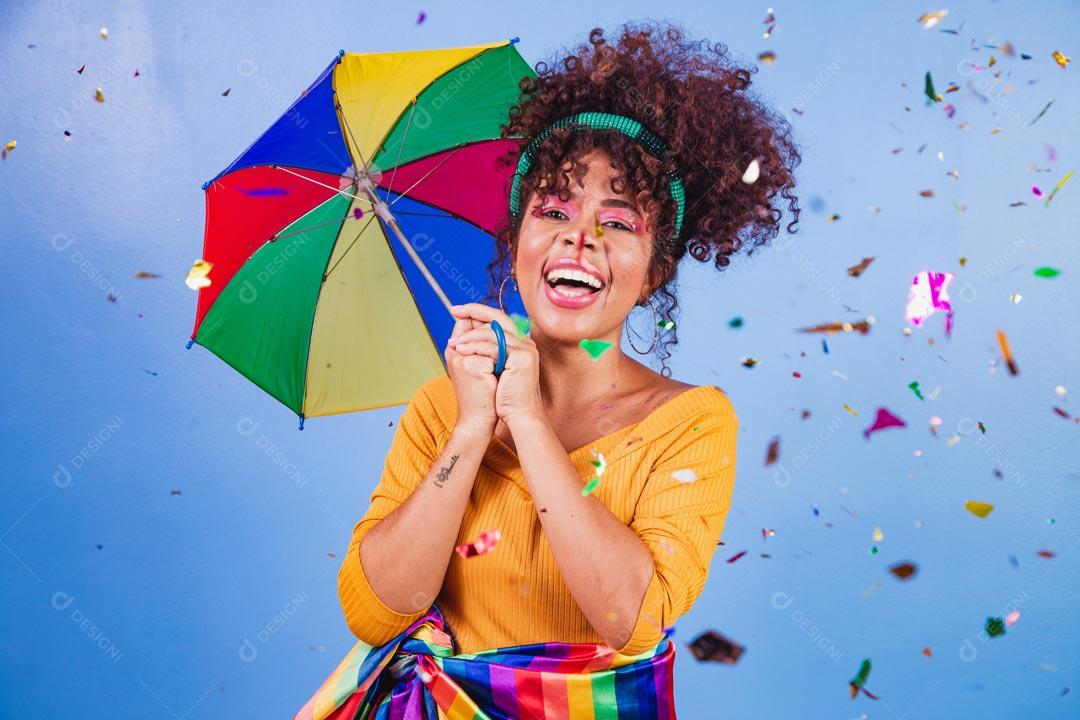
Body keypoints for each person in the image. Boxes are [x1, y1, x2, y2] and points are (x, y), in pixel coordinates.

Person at [335, 18, 800, 708]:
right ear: (518, 240)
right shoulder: (443, 407)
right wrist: (471, 428)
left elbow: (632, 623)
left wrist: (525, 419)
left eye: (617, 222)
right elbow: (378, 612)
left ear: (653, 272)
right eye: (553, 210)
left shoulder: (690, 423)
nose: (578, 238)